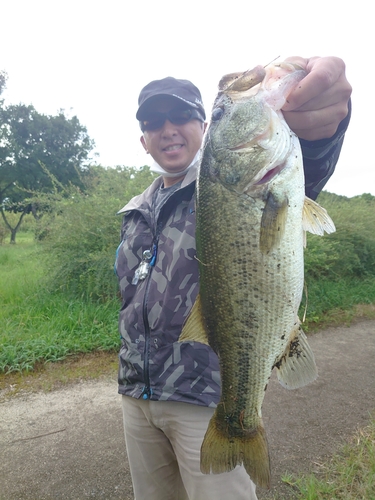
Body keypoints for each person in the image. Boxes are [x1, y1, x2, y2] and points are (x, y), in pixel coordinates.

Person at [114, 56, 352, 500]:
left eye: (182, 115)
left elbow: (309, 164)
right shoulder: (133, 212)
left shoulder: (234, 180)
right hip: (136, 395)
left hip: (206, 398)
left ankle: (243, 423)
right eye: (154, 121)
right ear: (143, 140)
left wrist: (323, 127)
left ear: (204, 128)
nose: (168, 129)